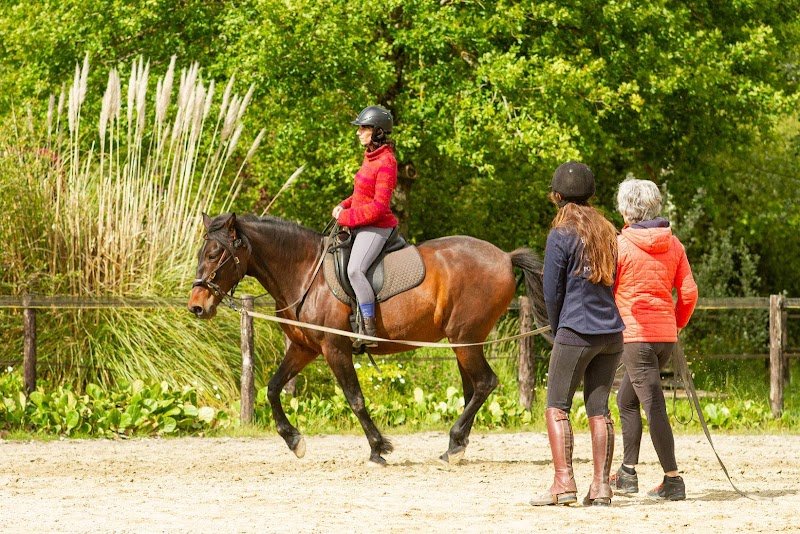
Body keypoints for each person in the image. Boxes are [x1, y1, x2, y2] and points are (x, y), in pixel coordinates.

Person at [531, 161, 625, 507]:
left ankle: (563, 483)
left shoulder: (560, 235)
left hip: (576, 329)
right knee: (599, 409)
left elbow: (551, 291)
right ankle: (601, 486)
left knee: (557, 406)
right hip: (611, 333)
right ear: (592, 195)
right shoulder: (608, 231)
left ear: (556, 196)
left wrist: (558, 329)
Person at [611, 177, 698, 501]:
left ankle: (672, 480)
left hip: (637, 338)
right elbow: (688, 292)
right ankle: (627, 474)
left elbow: (607, 289)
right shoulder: (674, 244)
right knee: (627, 400)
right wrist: (674, 324)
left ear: (626, 210)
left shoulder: (620, 245)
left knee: (653, 406)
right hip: (663, 337)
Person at [332, 105, 398, 349]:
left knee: (355, 270)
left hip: (377, 227)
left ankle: (369, 328)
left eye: (363, 128)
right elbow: (360, 194)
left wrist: (346, 217)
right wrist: (343, 204)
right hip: (361, 222)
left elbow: (379, 207)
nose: (358, 132)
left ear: (377, 131)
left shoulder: (386, 162)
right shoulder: (370, 157)